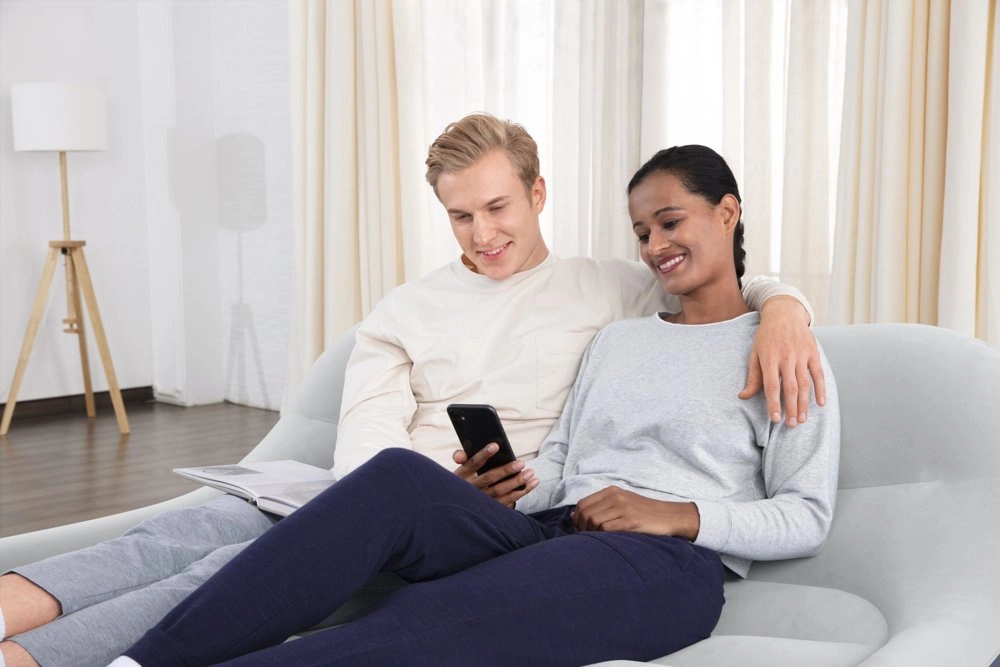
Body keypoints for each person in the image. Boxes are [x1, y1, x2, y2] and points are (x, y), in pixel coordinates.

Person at [0, 114, 821, 667]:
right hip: (407, 501)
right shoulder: (422, 313)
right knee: (183, 532)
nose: (483, 233)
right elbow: (377, 454)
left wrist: (784, 306)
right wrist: (485, 488)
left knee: (234, 564)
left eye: (497, 207)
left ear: (537, 194)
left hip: (557, 531)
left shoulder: (630, 298)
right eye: (461, 216)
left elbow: (714, 292)